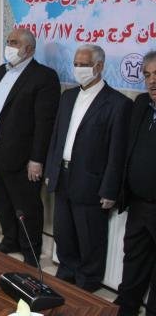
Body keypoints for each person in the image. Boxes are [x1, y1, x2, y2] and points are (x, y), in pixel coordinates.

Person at [44, 44, 131, 292]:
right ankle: (66, 275)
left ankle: (87, 284)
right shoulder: (68, 97)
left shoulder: (118, 104)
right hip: (63, 175)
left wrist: (110, 190)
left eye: (84, 65)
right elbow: (56, 137)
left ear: (99, 66)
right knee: (64, 233)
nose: (78, 69)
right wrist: (51, 171)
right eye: (76, 64)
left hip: (91, 182)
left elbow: (117, 153)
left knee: (90, 237)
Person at [0, 28, 60, 265]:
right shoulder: (1, 71)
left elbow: (45, 123)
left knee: (26, 206)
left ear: (29, 49)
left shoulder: (43, 77)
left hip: (21, 156)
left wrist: (37, 159)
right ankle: (10, 239)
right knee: (2, 201)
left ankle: (31, 252)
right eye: (8, 41)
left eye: (14, 43)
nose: (9, 46)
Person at [114, 51, 156, 315]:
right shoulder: (141, 104)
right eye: (148, 75)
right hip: (139, 204)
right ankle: (125, 309)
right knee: (133, 263)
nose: (152, 81)